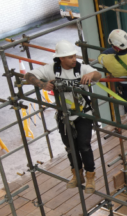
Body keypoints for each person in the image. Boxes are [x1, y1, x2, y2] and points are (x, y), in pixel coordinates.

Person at [25, 40, 102, 193]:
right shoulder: (52, 70)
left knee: (84, 146)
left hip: (83, 114)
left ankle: (90, 177)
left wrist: (91, 74)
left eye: (74, 56)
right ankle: (77, 175)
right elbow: (28, 75)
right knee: (70, 147)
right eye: (69, 57)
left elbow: (98, 75)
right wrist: (42, 84)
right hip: (64, 115)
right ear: (61, 58)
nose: (74, 59)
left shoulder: (81, 68)